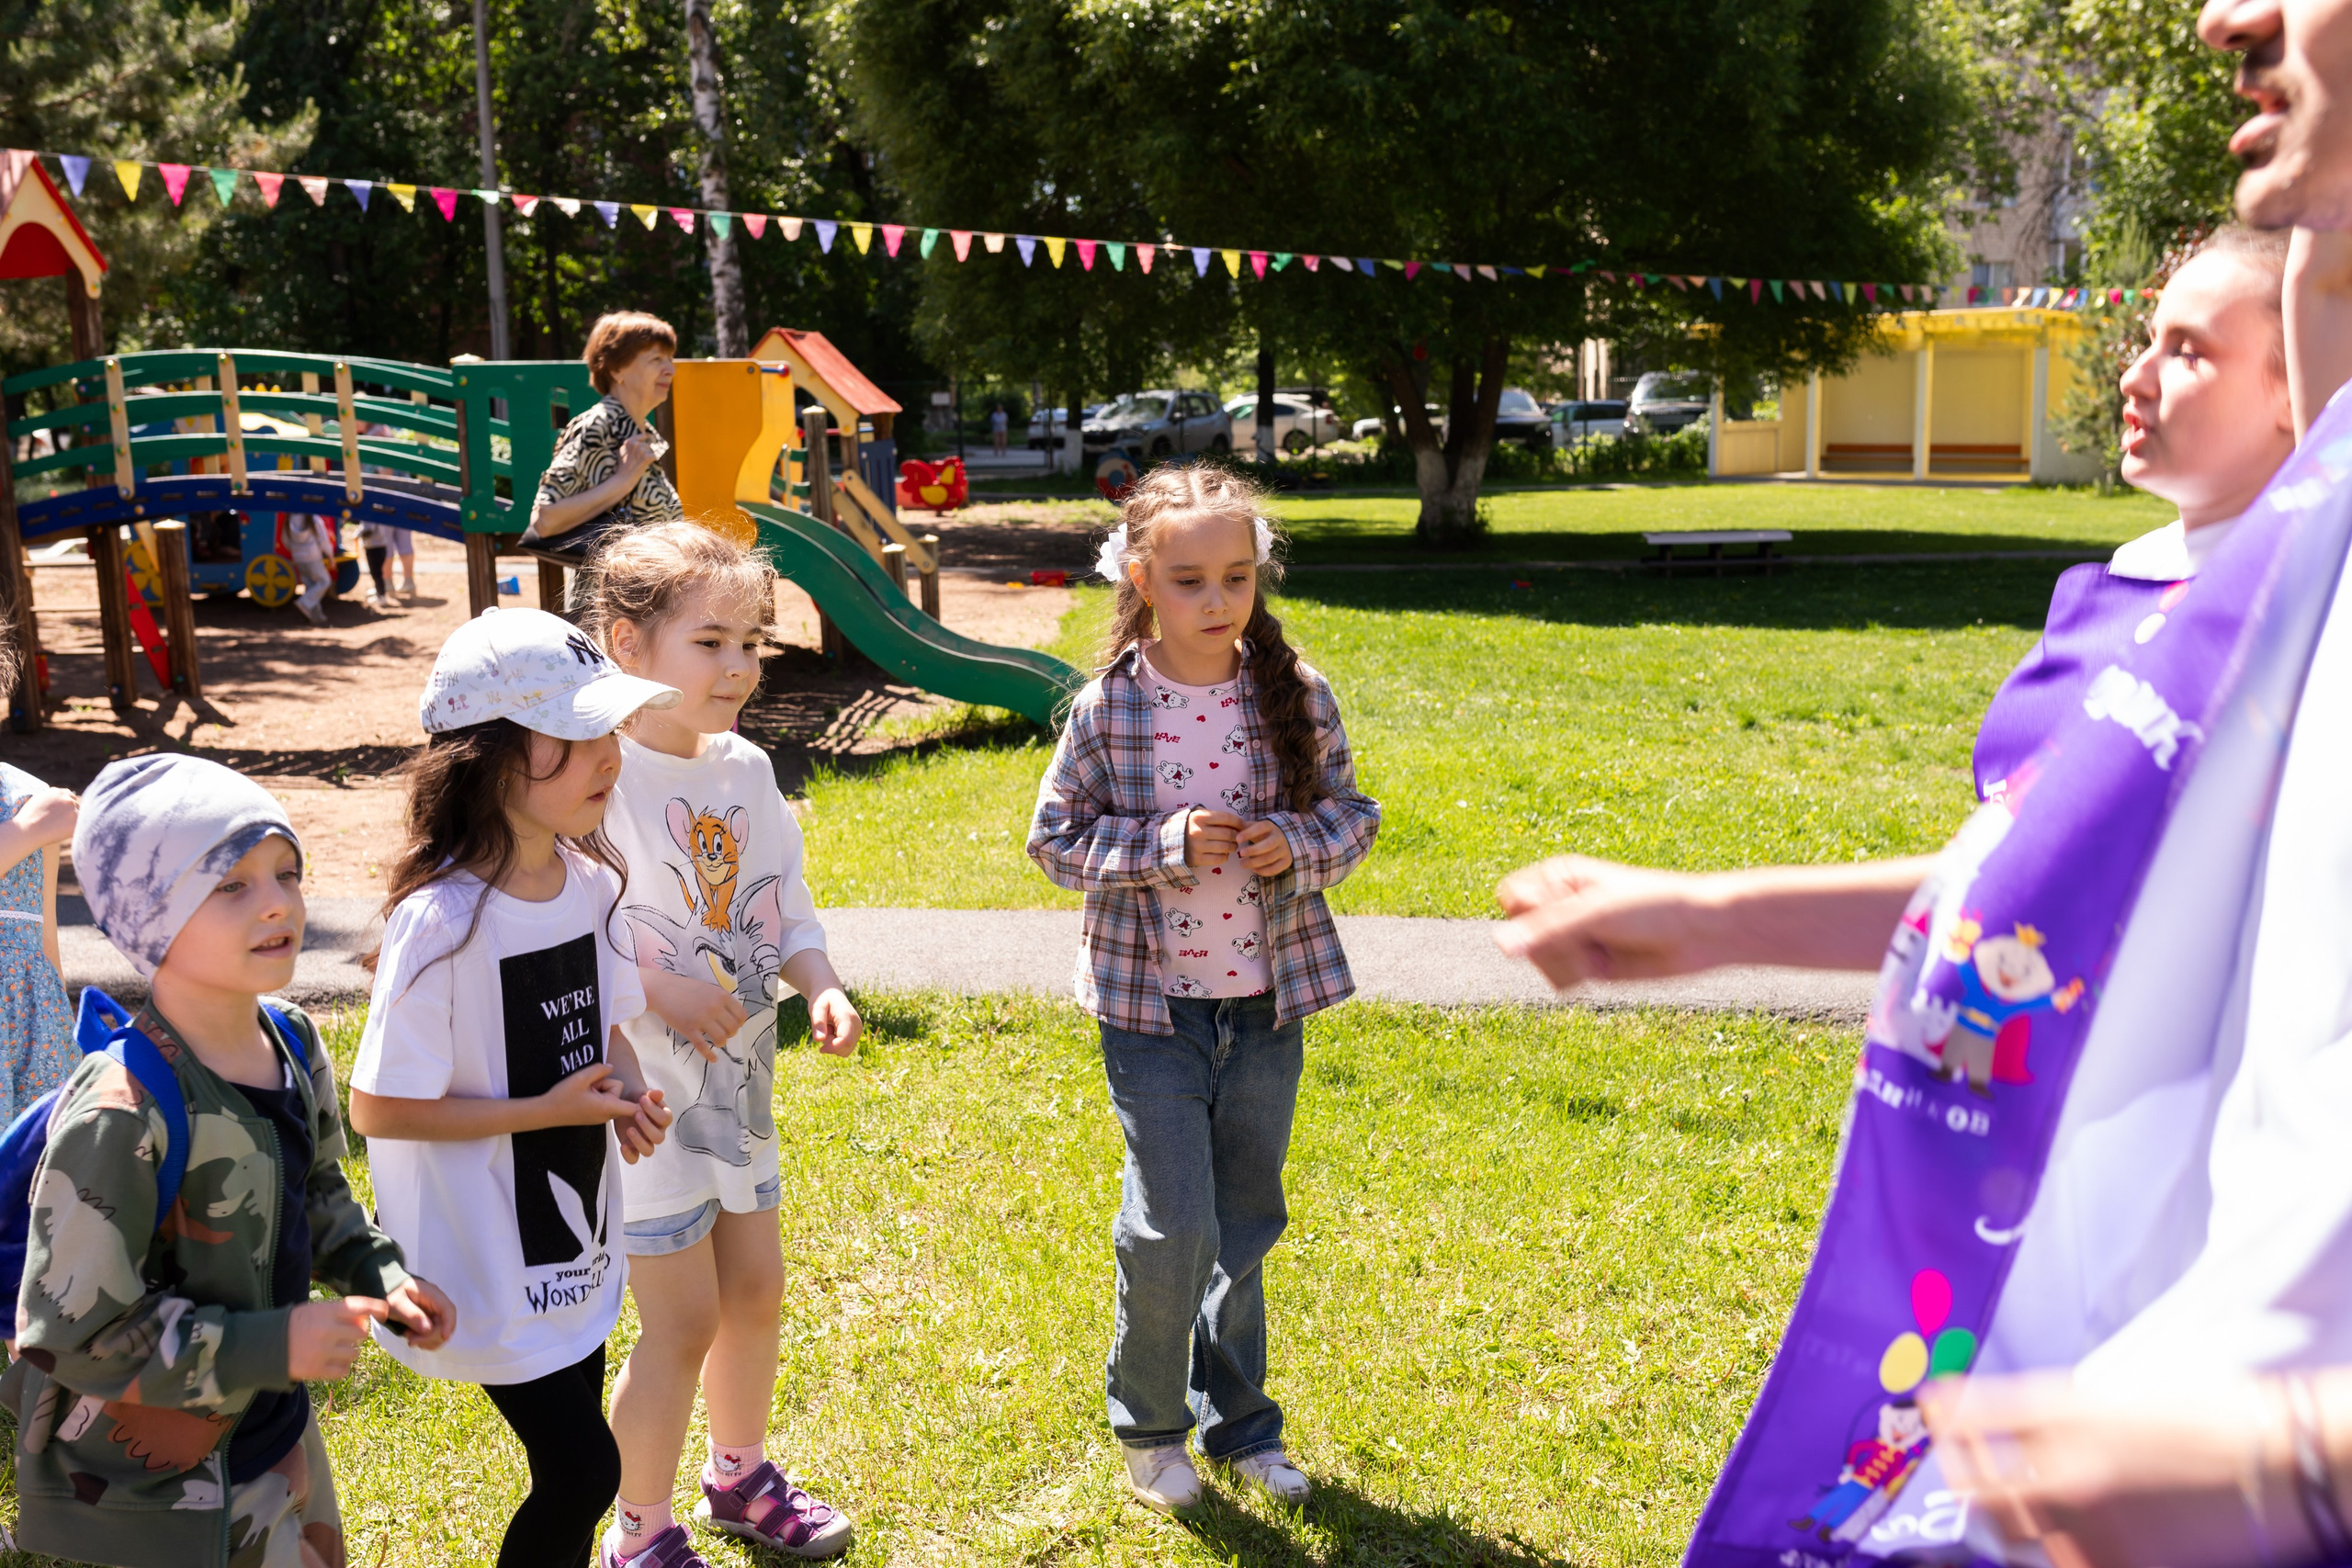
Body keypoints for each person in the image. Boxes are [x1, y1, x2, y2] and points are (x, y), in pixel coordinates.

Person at [1492, 224, 2299, 991]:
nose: (2135, 375)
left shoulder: (2301, 615)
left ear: (2304, 389)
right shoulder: (2126, 576)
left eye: (2188, 352)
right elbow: (2012, 876)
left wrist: (1709, 919)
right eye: (2149, 339)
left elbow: (2104, 884)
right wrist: (1701, 919)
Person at [1027, 464, 1381, 1513]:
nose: (1217, 601)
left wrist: (1296, 843)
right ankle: (1149, 1427)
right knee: (1171, 1224)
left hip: (1266, 1007)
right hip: (1151, 1012)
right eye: (1189, 581)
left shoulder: (1293, 692)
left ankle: (1242, 1427)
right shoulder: (1107, 709)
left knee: (1243, 1223)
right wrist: (1160, 844)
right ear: (1141, 578)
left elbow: (1353, 815)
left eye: (1237, 576)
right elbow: (1053, 843)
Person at [8, 753, 456, 1568]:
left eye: (287, 871)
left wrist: (378, 1274)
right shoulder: (121, 1111)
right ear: (148, 916)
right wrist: (272, 1345)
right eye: (232, 885)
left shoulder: (292, 1038)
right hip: (162, 1502)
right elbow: (71, 1336)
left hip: (278, 1442)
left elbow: (313, 1190)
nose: (279, 902)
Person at [346, 606, 679, 1568]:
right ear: (488, 761)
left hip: (569, 1245)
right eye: (574, 736)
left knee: (573, 1483)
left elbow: (608, 1022)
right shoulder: (440, 922)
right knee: (583, 1471)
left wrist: (629, 1089)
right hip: (480, 1260)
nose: (608, 754)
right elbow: (376, 1108)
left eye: (608, 729)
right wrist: (547, 1112)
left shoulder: (585, 882)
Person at [585, 522, 861, 1567]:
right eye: (711, 643)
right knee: (682, 1322)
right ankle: (640, 1530)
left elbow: (783, 902)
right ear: (626, 642)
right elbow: (559, 938)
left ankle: (738, 1476)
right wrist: (659, 987)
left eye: (754, 641)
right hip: (645, 1110)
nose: (740, 666)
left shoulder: (745, 767)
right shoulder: (594, 775)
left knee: (755, 1294)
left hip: (739, 1091)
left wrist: (820, 984)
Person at [521, 312, 685, 615]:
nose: (670, 369)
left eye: (670, 359)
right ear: (617, 368)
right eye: (655, 359)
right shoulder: (597, 427)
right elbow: (543, 520)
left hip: (645, 607)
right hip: (611, 614)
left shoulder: (641, 433)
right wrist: (622, 481)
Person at [0, 618, 77, 1126]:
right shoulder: (33, 813)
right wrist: (26, 831)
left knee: (31, 1173)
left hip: (31, 1024)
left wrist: (63, 1028)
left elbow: (44, 935)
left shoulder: (29, 793)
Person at [287, 513, 334, 626]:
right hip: (312, 556)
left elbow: (286, 539)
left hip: (298, 557)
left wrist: (295, 550)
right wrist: (330, 556)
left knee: (310, 586)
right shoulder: (314, 519)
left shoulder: (290, 519)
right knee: (324, 581)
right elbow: (323, 540)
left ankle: (316, 616)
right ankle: (304, 602)